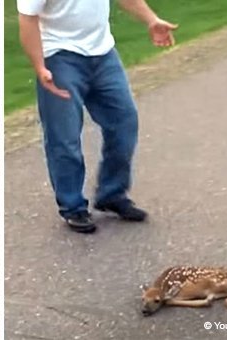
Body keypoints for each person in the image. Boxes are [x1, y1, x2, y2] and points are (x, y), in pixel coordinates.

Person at [17, 0, 177, 233]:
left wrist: (151, 19)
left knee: (125, 122)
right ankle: (73, 206)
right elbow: (27, 19)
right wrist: (40, 67)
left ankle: (111, 194)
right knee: (65, 136)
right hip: (60, 57)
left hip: (103, 55)